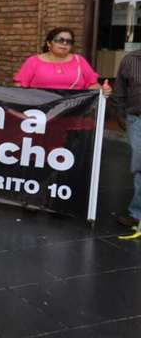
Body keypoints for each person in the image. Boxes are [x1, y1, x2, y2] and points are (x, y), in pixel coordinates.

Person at [14, 27, 110, 94]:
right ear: (49, 43)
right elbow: (19, 88)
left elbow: (92, 85)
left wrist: (103, 90)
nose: (64, 43)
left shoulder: (79, 61)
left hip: (73, 113)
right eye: (60, 40)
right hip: (39, 113)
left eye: (69, 41)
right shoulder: (33, 61)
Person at [111, 50, 141, 236]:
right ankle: (137, 214)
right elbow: (119, 91)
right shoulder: (131, 60)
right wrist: (121, 116)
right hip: (136, 119)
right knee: (139, 165)